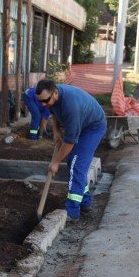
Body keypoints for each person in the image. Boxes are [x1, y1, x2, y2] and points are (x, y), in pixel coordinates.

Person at [35, 79, 106, 220]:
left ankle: (72, 211)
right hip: (81, 122)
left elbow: (69, 142)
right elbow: (53, 111)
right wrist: (56, 132)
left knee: (76, 164)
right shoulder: (53, 97)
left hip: (92, 127)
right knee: (72, 163)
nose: (43, 104)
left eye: (45, 100)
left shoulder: (71, 106)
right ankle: (85, 202)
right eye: (40, 101)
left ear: (55, 92)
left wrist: (55, 162)